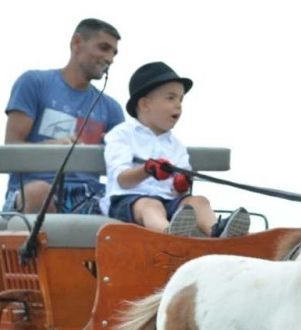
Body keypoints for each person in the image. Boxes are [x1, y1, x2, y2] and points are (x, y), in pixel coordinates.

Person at [100, 61, 250, 237]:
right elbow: (122, 180)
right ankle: (169, 235)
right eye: (170, 98)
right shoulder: (122, 134)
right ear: (144, 104)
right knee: (151, 205)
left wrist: (182, 183)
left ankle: (219, 233)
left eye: (181, 99)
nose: (178, 105)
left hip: (169, 201)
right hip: (127, 200)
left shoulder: (177, 146)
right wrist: (148, 169)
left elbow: (179, 191)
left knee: (199, 201)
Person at [3, 18, 125, 214]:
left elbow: (121, 166)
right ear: (77, 43)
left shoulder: (112, 108)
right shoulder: (34, 82)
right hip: (32, 192)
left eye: (114, 53)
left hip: (89, 196)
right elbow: (10, 149)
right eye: (104, 48)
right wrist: (51, 148)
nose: (110, 58)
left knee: (132, 203)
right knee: (39, 192)